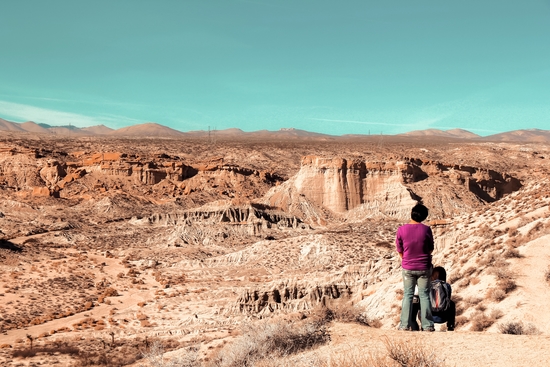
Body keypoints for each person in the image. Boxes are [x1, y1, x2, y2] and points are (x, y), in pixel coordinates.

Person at [396, 203, 434, 331]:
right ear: (423, 217)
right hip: (424, 267)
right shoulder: (426, 230)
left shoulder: (401, 230)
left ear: (412, 213)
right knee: (424, 295)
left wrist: (405, 259)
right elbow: (430, 248)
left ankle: (404, 325)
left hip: (408, 267)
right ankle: (427, 325)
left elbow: (399, 249)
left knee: (408, 295)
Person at [410, 266, 456, 331]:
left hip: (428, 316)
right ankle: (450, 326)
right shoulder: (447, 285)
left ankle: (423, 326)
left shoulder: (426, 285)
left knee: (419, 302)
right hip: (443, 317)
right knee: (452, 303)